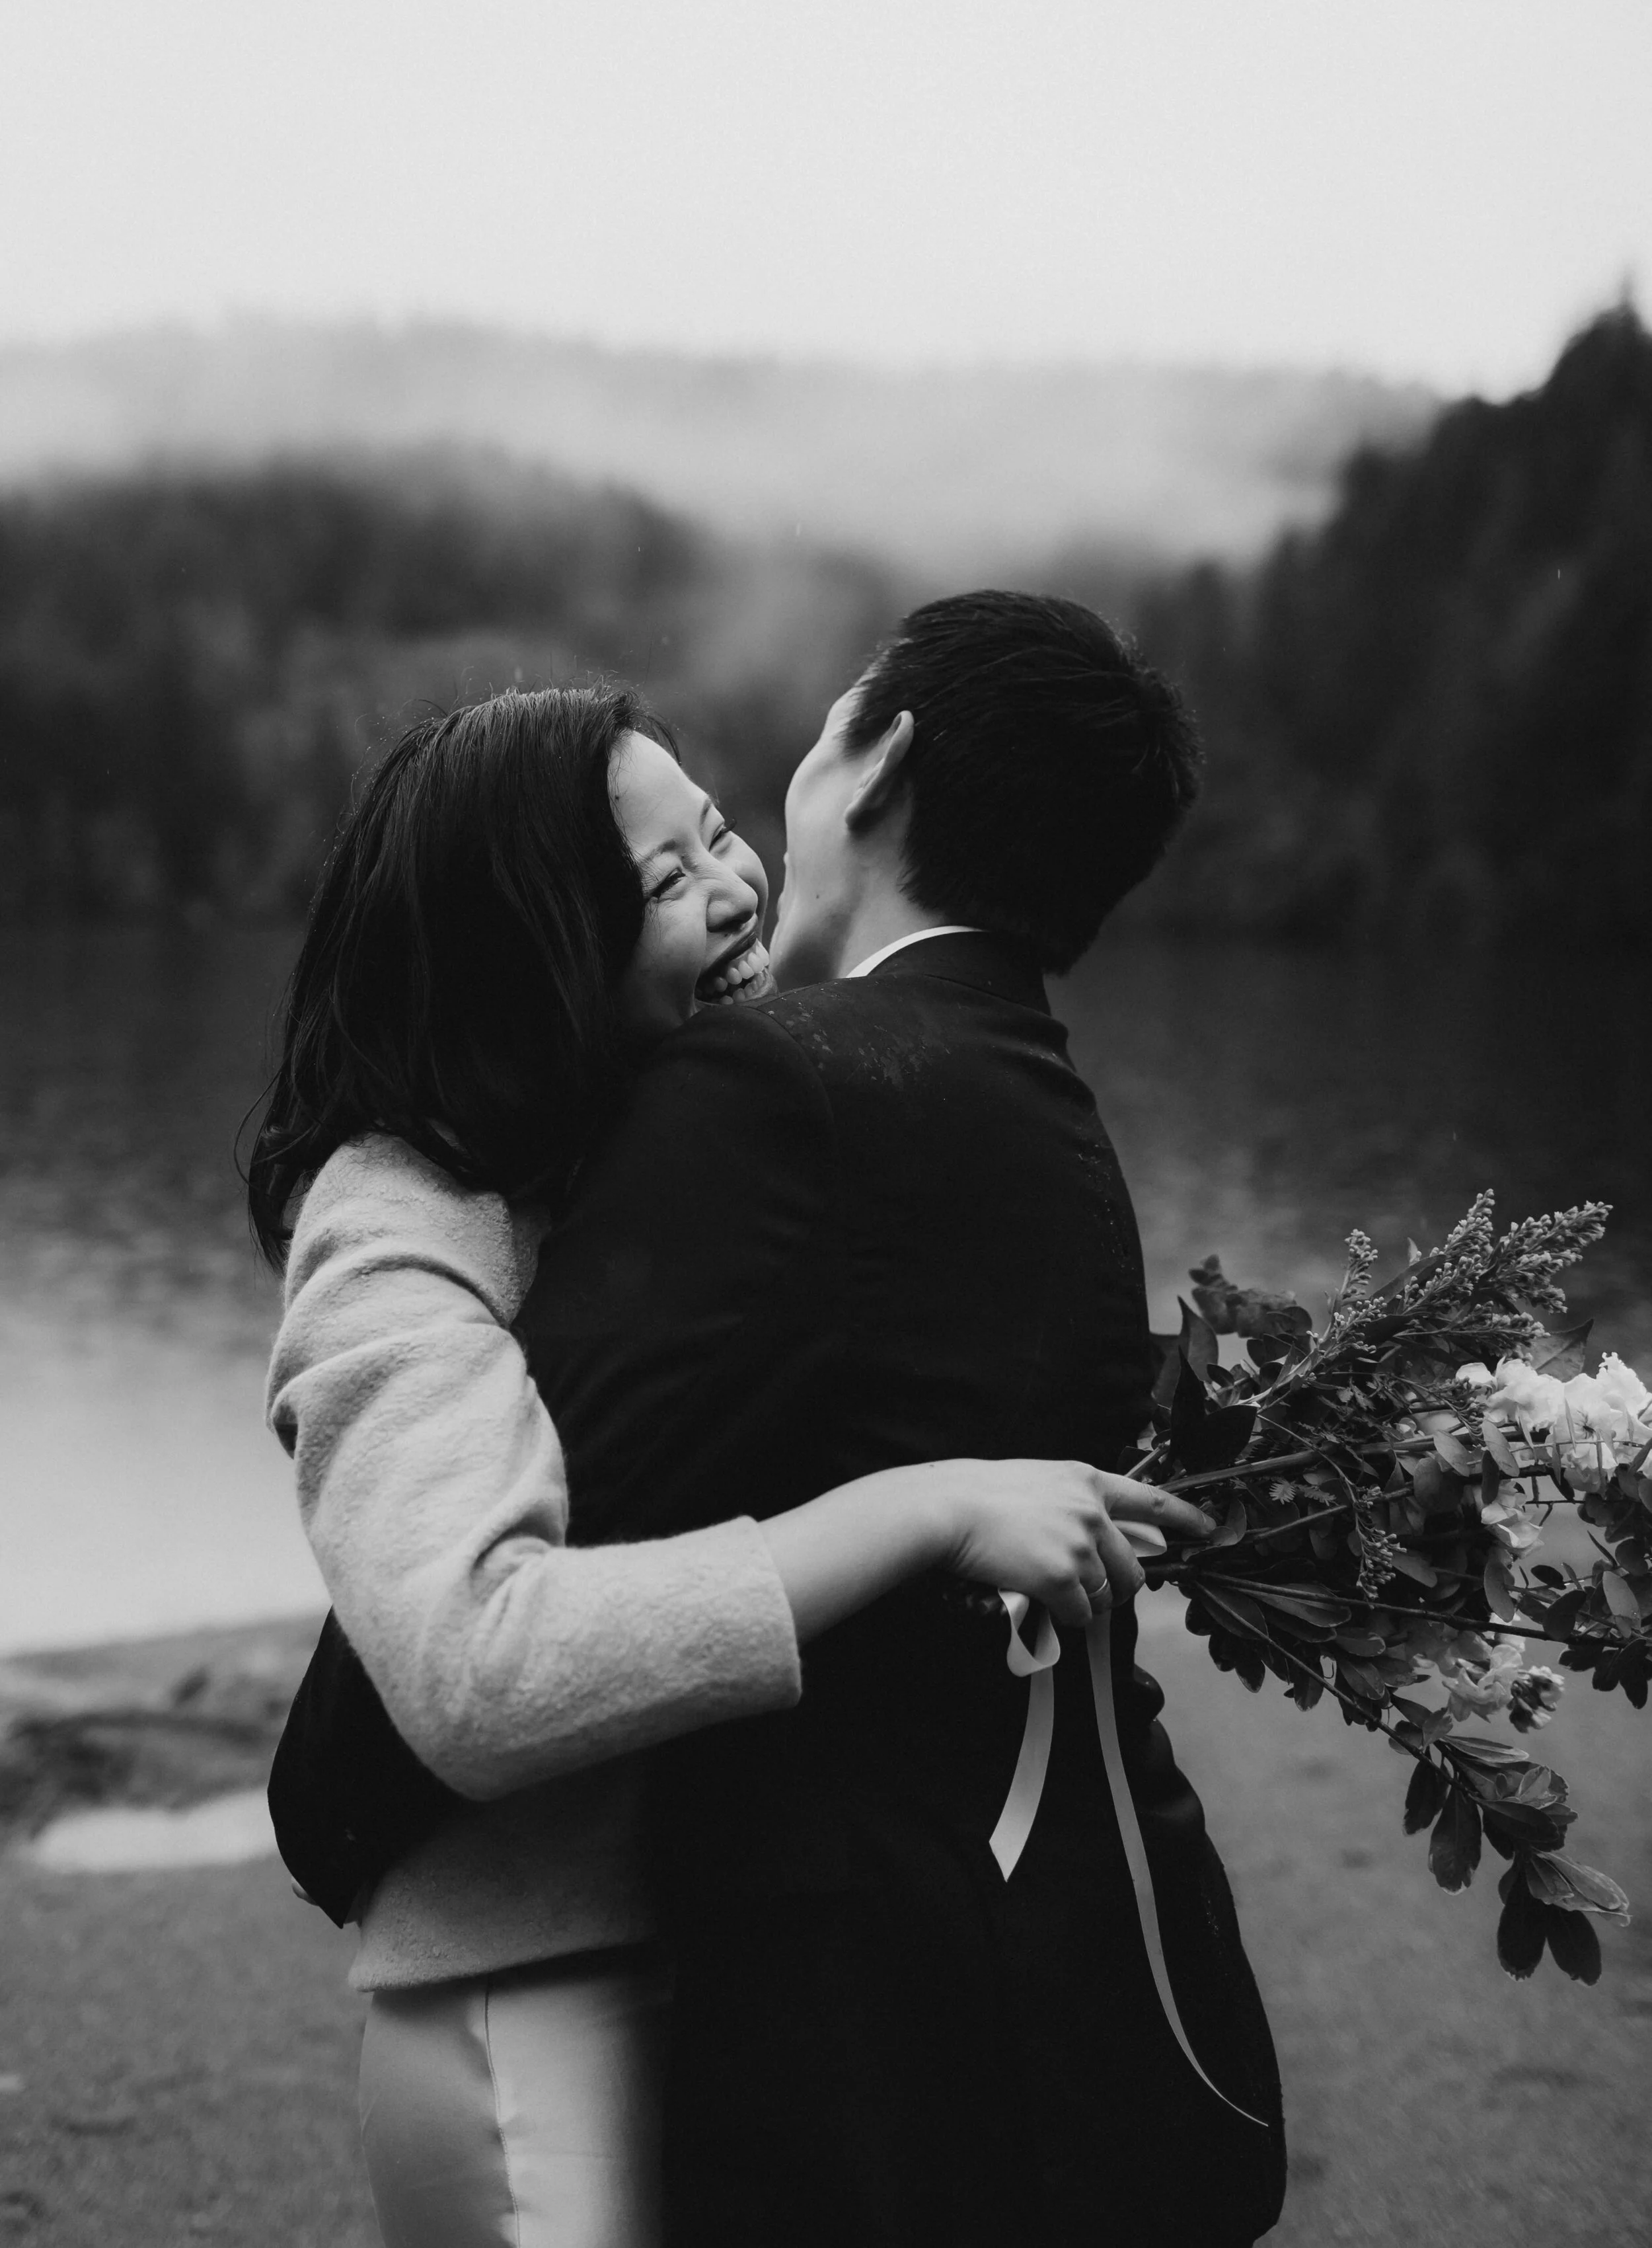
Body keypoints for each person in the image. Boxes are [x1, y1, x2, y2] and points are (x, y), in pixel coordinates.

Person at [250, 681, 1207, 2248]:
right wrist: (917, 1507)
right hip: (528, 2002)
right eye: (663, 878)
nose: (735, 882)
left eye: (714, 831)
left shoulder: (670, 1155)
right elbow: (474, 1668)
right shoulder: (391, 1239)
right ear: (527, 946)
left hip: (730, 1974)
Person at [509, 590, 1287, 2248]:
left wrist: (338, 1797)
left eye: (816, 730)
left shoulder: (782, 1079)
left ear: (874, 759)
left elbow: (561, 1499)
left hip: (871, 2031)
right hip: (1077, 1958)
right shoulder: (1038, 1093)